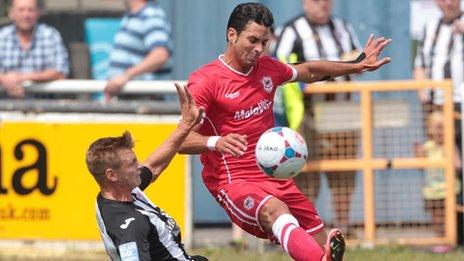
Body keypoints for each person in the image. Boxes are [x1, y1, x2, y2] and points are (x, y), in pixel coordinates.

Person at [178, 3, 391, 261]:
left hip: (275, 178)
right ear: (231, 35)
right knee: (276, 210)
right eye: (253, 40)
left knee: (320, 239)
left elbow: (309, 70)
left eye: (264, 42)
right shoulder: (206, 81)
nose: (258, 49)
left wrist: (355, 65)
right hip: (233, 182)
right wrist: (216, 141)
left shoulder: (268, 68)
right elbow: (182, 140)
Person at [86, 83, 208, 260]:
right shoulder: (130, 226)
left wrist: (186, 124)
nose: (139, 166)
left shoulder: (119, 192)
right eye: (132, 163)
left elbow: (154, 166)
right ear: (112, 175)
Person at [274, 0, 363, 237]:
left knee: (344, 172)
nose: (322, 5)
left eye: (327, 0)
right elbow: (280, 69)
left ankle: (343, 227)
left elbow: (359, 59)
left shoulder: (342, 27)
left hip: (342, 111)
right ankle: (305, 230)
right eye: (316, 0)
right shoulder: (290, 30)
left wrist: (354, 60)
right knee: (305, 175)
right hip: (309, 113)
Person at [414, 0, 464, 245]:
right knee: (441, 174)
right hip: (436, 110)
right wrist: (424, 93)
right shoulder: (430, 26)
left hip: (460, 106)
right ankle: (447, 235)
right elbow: (420, 65)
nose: (448, 2)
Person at [104, 0, 172, 101]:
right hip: (129, 100)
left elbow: (160, 55)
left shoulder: (150, 15)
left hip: (145, 102)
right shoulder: (131, 16)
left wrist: (126, 75)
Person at [0, 0, 69, 98]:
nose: (26, 15)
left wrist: (21, 77)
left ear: (38, 12)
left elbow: (60, 73)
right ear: (11, 12)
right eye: (21, 10)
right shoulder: (2, 37)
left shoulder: (50, 35)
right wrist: (5, 79)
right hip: (6, 107)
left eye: (30, 10)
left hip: (46, 107)